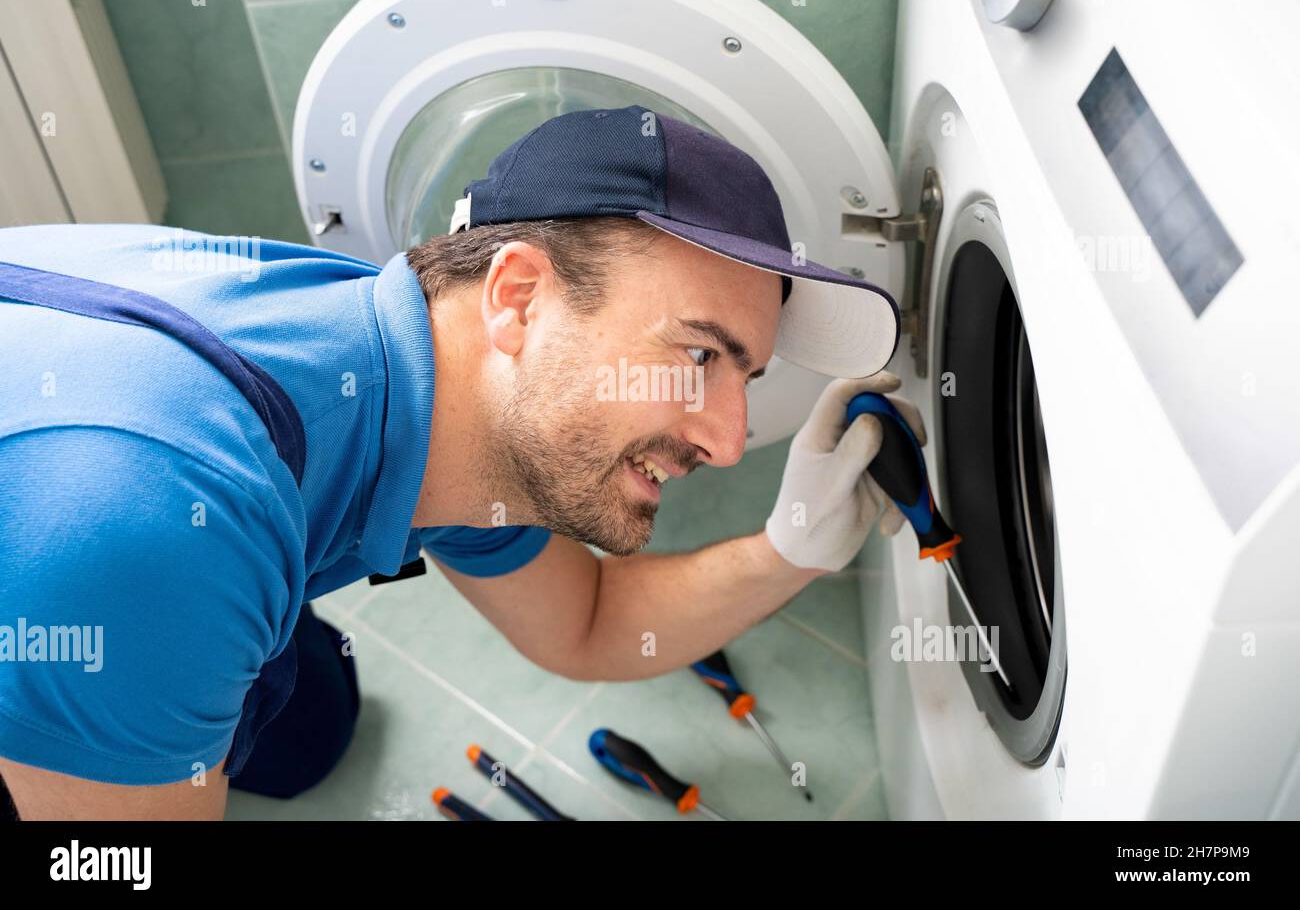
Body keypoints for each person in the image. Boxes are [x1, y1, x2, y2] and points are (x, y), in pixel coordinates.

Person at [0, 105, 921, 819]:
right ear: (518, 297)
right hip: (90, 562)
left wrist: (791, 547)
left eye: (745, 377)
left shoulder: (441, 383)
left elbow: (587, 622)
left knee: (305, 731)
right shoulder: (153, 535)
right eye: (696, 356)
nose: (726, 440)